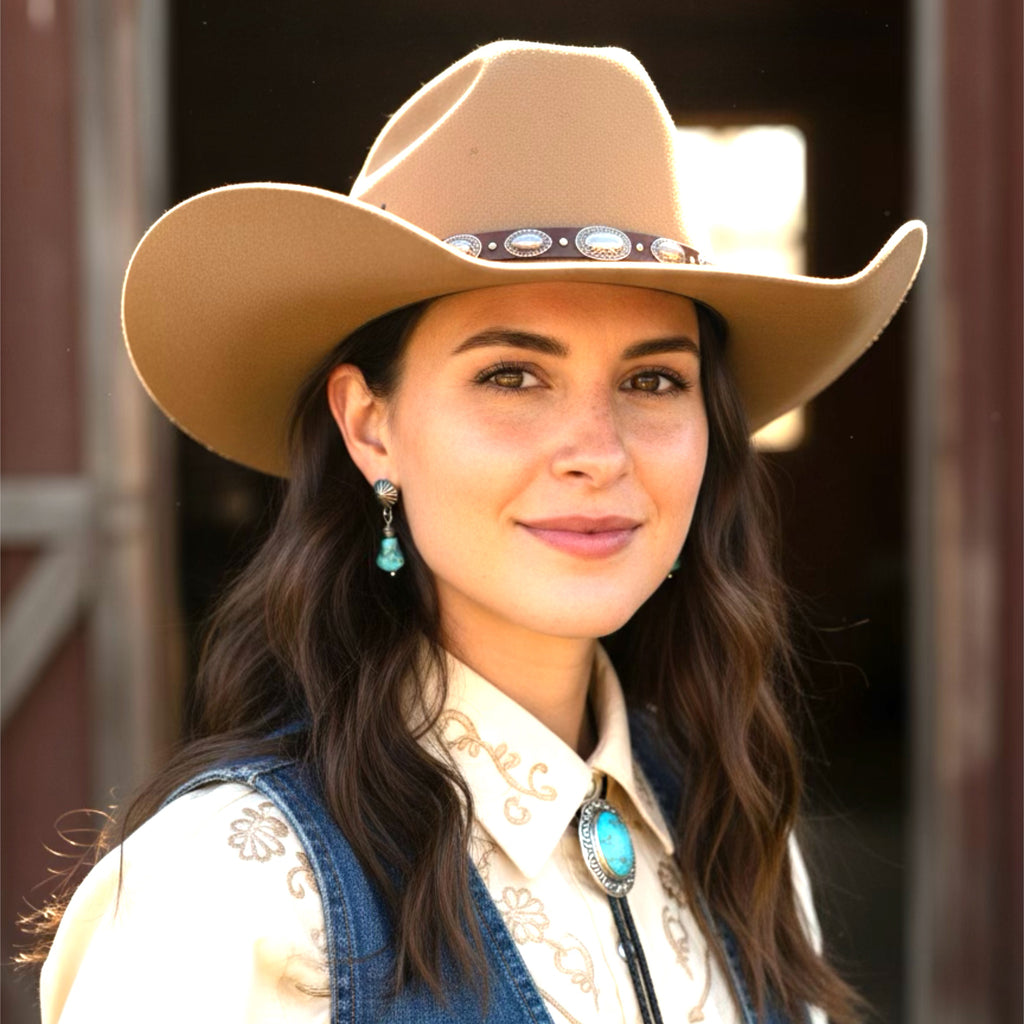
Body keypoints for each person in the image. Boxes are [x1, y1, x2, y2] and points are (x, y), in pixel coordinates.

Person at [33, 40, 925, 1024]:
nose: (598, 451)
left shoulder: (732, 837)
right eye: (512, 375)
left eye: (653, 379)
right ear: (371, 426)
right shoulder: (223, 895)